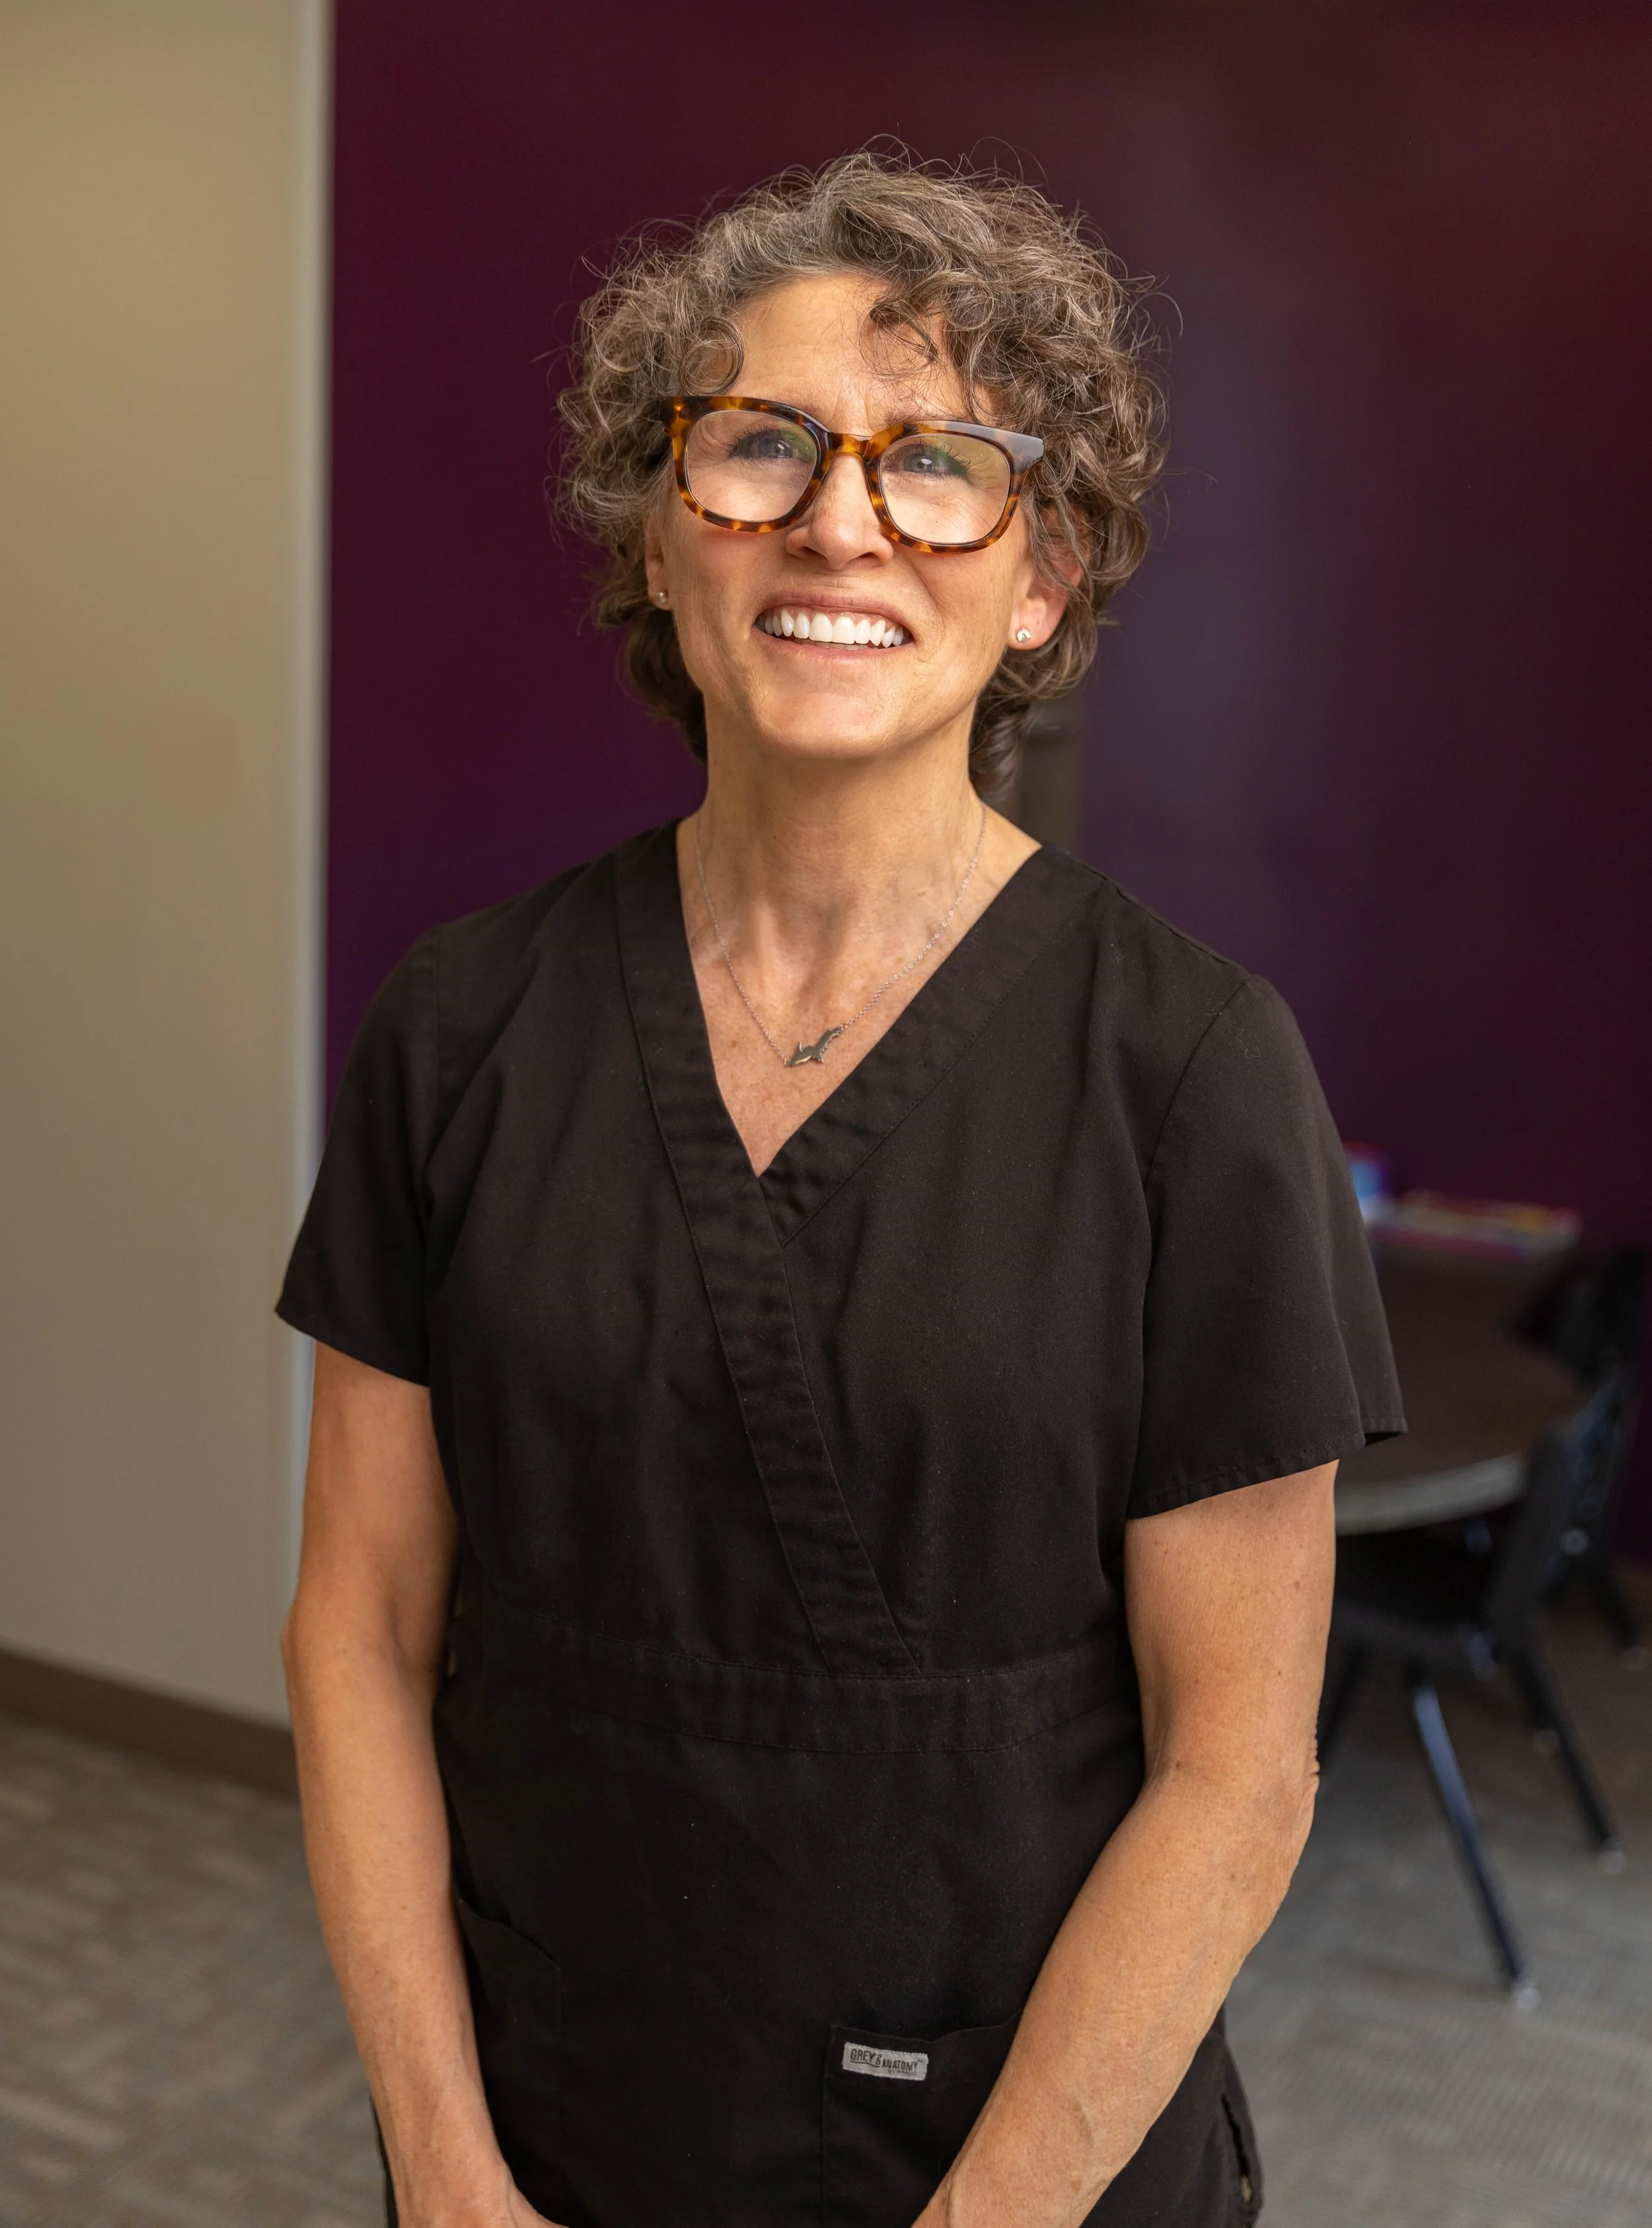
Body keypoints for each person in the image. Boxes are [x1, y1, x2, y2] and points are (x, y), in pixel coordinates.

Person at [278, 152, 1403, 2228]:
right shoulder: (460, 1025)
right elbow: (356, 1628)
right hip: (548, 2127)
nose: (839, 519)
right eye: (762, 446)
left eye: (940, 463)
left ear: (1041, 579)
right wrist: (440, 2164)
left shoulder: (1187, 1072)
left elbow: (1237, 1774)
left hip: (1013, 2160)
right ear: (659, 528)